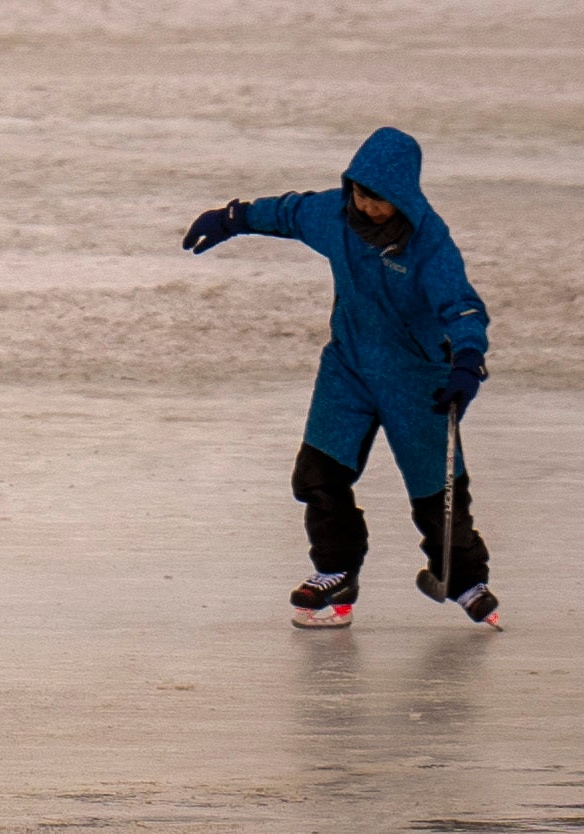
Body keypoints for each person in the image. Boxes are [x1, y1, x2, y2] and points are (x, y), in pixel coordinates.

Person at [183, 126, 499, 629]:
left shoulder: (431, 245)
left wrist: (467, 362)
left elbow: (461, 307)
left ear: (403, 199)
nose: (366, 207)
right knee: (318, 474)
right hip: (348, 368)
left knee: (434, 492)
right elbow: (288, 212)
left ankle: (462, 578)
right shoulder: (335, 215)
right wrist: (233, 217)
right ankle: (335, 573)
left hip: (417, 377)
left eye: (378, 201)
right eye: (360, 194)